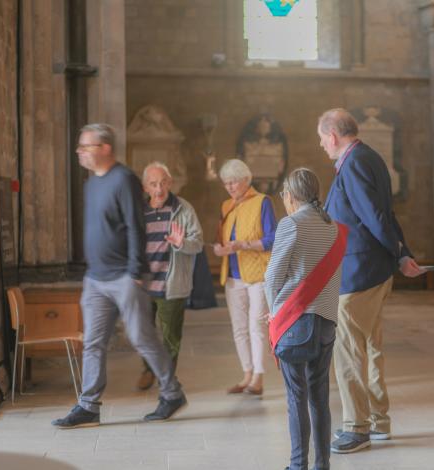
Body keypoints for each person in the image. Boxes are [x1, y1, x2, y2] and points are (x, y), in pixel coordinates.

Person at [52, 124, 187, 428]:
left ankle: (172, 393)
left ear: (105, 148)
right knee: (93, 342)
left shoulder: (124, 179)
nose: (80, 152)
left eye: (85, 146)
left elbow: (135, 225)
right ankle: (88, 405)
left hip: (125, 277)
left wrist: (136, 270)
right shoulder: (91, 184)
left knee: (142, 337)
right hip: (96, 278)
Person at [317, 109, 424, 453]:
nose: (322, 145)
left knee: (347, 349)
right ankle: (378, 421)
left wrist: (398, 254)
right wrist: (402, 253)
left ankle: (357, 426)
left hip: (359, 273)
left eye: (322, 139)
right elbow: (384, 213)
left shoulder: (354, 162)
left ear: (333, 136)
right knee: (372, 347)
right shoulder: (370, 157)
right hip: (372, 269)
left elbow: (374, 215)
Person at [265, 168, 346, 470]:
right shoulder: (334, 227)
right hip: (326, 321)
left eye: (284, 195)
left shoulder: (291, 224)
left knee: (296, 395)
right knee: (319, 396)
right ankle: (321, 464)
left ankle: (298, 465)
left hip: (296, 322)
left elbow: (272, 277)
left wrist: (274, 310)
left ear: (290, 195)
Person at [135, 162, 204, 390]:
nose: (159, 189)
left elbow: (198, 244)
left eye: (163, 182)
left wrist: (181, 243)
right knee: (145, 332)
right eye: (153, 184)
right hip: (143, 285)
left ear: (170, 183)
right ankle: (147, 369)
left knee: (170, 336)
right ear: (145, 187)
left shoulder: (184, 209)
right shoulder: (139, 212)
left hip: (171, 283)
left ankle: (167, 378)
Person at [213, 159, 276, 395]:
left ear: (246, 180)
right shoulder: (226, 205)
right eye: (226, 183)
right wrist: (220, 249)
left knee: (256, 326)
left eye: (234, 182)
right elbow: (222, 239)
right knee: (239, 328)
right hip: (232, 274)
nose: (229, 187)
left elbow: (273, 238)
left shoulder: (262, 202)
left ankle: (258, 377)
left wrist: (244, 244)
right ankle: (246, 373)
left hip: (258, 273)